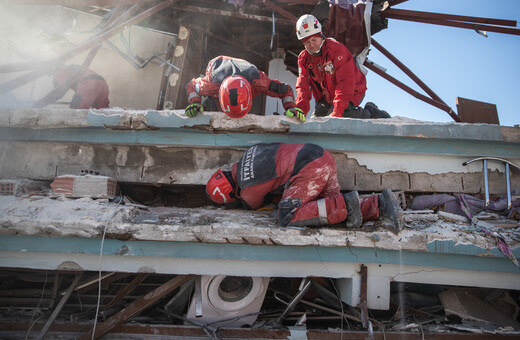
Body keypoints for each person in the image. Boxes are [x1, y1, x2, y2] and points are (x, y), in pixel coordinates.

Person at [205, 142, 403, 231]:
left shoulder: (247, 190)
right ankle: (381, 204)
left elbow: (253, 205)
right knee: (335, 213)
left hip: (309, 170)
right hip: (320, 156)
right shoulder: (250, 152)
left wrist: (243, 202)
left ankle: (350, 202)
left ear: (231, 194)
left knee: (288, 215)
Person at [294, 14, 389, 119]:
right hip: (329, 97)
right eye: (307, 42)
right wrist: (300, 109)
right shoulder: (303, 58)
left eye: (314, 40)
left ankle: (371, 112)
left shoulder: (336, 49)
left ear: (320, 35)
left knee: (342, 117)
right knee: (316, 121)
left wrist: (337, 111)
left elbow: (345, 82)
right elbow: (303, 86)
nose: (311, 45)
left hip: (353, 89)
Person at [185, 55, 306, 121]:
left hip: (246, 69)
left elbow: (286, 90)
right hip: (219, 65)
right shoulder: (210, 85)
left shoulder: (259, 82)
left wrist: (291, 107)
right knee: (212, 113)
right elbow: (191, 85)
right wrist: (195, 103)